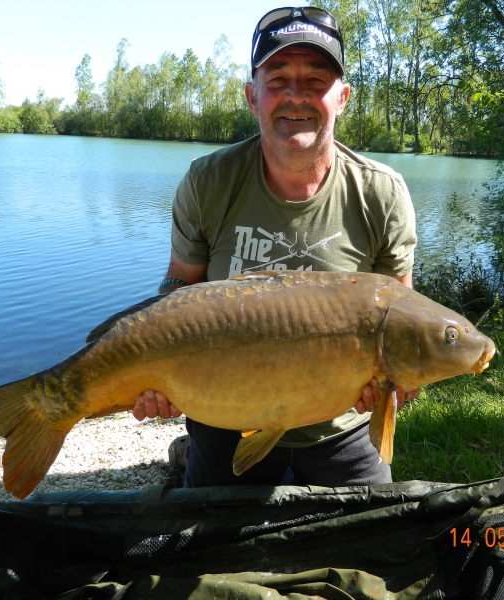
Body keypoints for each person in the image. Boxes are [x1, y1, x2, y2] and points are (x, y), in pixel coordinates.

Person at [133, 6, 419, 488]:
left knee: (373, 552)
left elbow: (404, 320)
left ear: (342, 97)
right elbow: (178, 285)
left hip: (341, 429)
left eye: (315, 80)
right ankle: (192, 450)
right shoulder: (209, 182)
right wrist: (154, 374)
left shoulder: (382, 194)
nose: (295, 96)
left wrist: (396, 387)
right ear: (252, 97)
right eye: (278, 78)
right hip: (225, 412)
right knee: (208, 553)